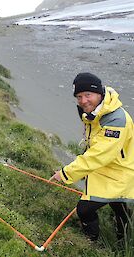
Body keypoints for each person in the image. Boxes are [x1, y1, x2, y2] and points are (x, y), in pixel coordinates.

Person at [50, 72, 134, 242]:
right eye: (79, 96)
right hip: (107, 168)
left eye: (88, 95)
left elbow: (97, 156)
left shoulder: (116, 120)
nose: (83, 101)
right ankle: (123, 238)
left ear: (100, 93)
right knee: (120, 208)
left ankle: (93, 242)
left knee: (85, 209)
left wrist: (66, 174)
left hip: (120, 173)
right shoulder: (95, 111)